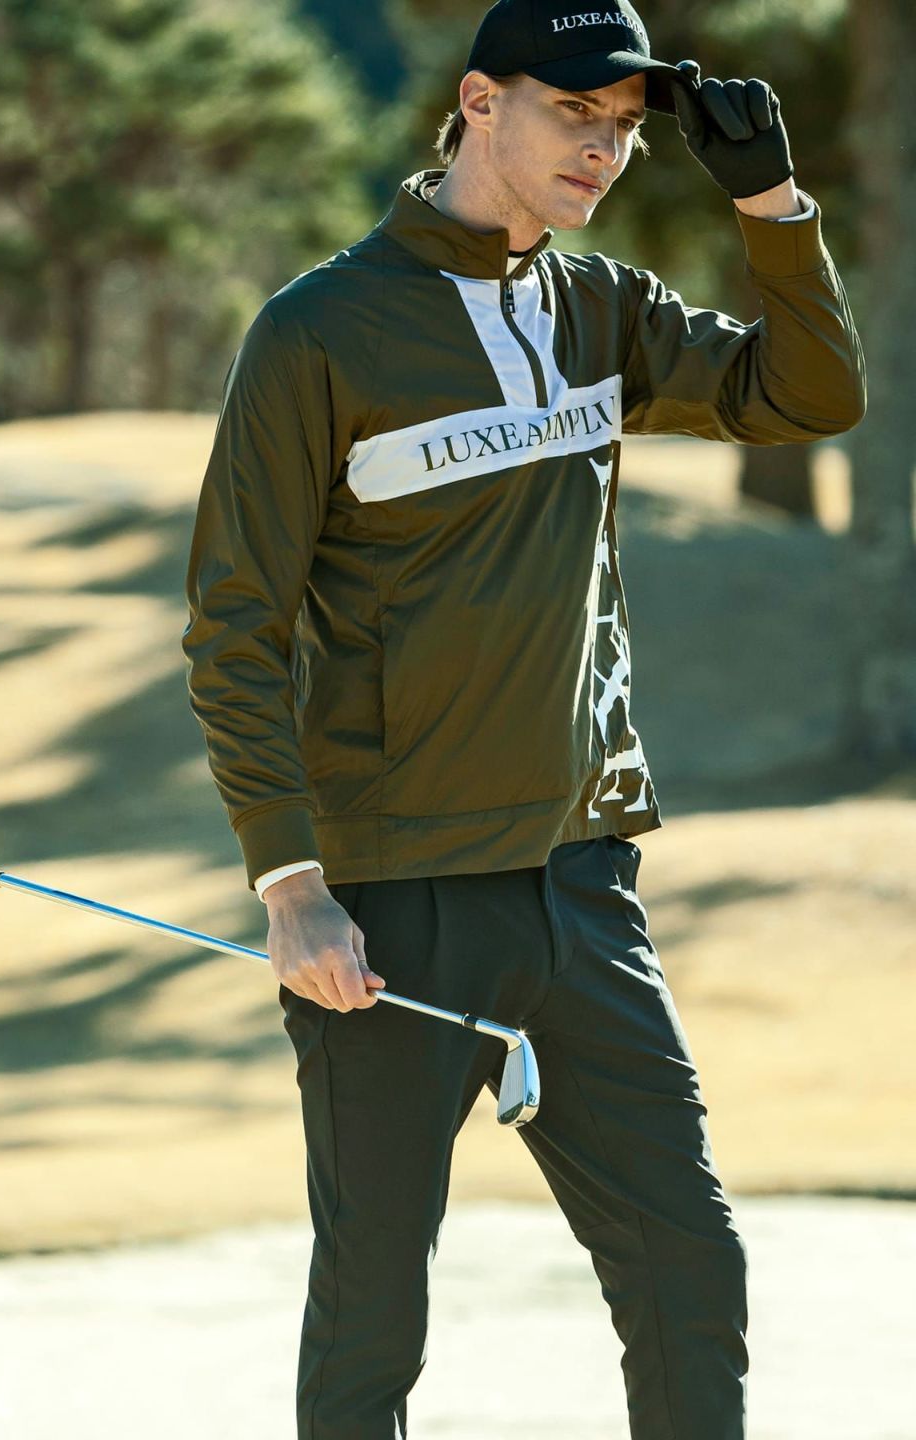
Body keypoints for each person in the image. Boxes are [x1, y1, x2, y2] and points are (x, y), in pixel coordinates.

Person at [181, 0, 867, 1435]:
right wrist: (291, 884)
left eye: (623, 128)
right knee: (374, 1308)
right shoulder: (318, 331)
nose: (603, 150)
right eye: (575, 114)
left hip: (576, 879)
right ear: (480, 102)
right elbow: (236, 626)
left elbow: (809, 395)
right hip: (390, 901)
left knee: (688, 1267)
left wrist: (772, 209)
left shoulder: (602, 308)